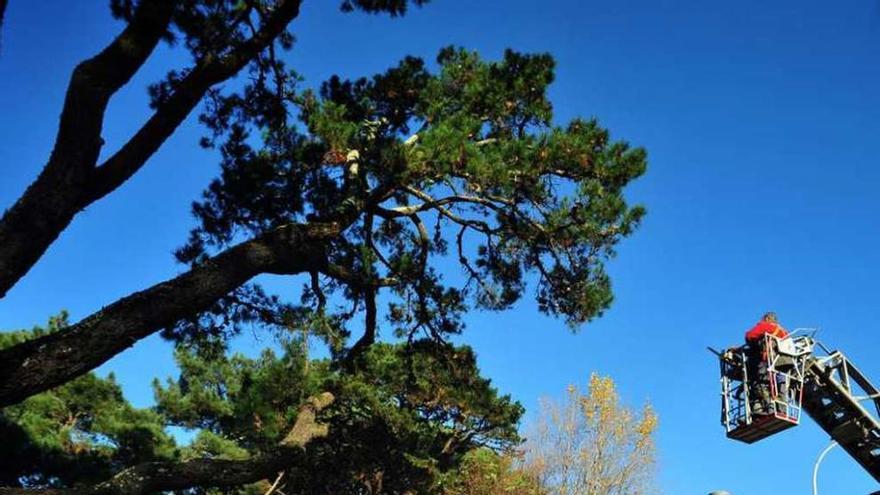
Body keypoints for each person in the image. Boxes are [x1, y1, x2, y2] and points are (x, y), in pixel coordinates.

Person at [744, 312, 788, 416]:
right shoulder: (784, 332)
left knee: (760, 383)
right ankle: (781, 409)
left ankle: (767, 408)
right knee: (780, 385)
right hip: (783, 363)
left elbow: (749, 335)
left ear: (768, 318)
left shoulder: (766, 326)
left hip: (768, 360)